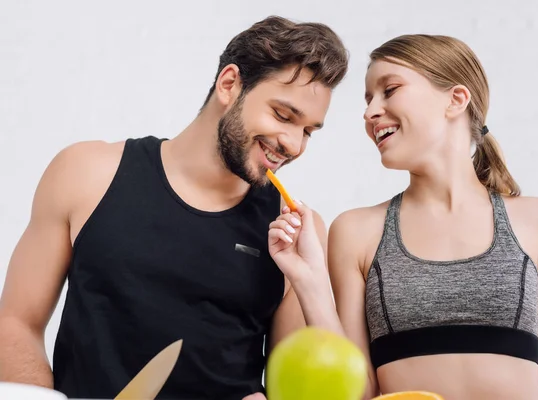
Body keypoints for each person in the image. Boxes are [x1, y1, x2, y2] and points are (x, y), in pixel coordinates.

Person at [0, 15, 348, 400]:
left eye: (308, 131)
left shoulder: (296, 231)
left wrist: (312, 282)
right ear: (230, 84)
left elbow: (305, 391)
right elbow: (16, 324)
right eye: (284, 115)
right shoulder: (85, 173)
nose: (294, 144)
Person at [265, 34, 538, 400]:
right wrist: (309, 278)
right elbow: (357, 390)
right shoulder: (357, 231)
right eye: (367, 100)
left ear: (456, 100)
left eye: (389, 90)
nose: (369, 112)